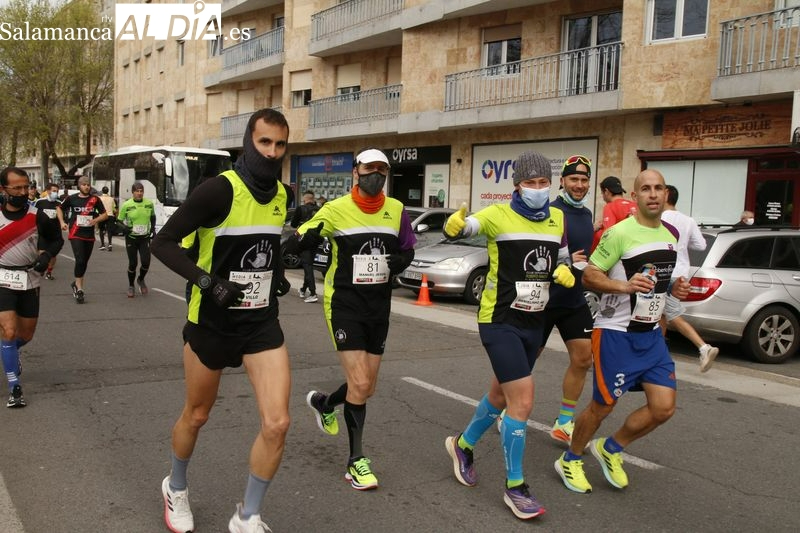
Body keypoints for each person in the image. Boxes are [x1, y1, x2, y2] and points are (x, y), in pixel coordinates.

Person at [151, 107, 294, 533]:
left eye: (280, 144)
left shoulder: (283, 195)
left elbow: (266, 244)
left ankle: (247, 516)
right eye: (264, 142)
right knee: (197, 415)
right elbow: (163, 243)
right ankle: (176, 486)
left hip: (260, 324)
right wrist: (207, 282)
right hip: (211, 323)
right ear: (248, 142)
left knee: (278, 423)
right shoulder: (218, 190)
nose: (272, 152)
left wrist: (278, 274)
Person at [442, 151, 573, 520]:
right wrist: (454, 226)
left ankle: (463, 445)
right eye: (530, 182)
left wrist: (567, 272)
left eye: (543, 182)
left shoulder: (558, 218)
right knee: (523, 401)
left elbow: (563, 259)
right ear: (517, 185)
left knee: (501, 394)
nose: (537, 188)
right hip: (499, 321)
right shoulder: (497, 214)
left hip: (534, 322)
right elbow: (465, 228)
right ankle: (516, 486)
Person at [554, 168, 690, 495]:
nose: (653, 194)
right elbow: (590, 275)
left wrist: (675, 288)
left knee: (664, 407)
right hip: (615, 332)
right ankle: (570, 459)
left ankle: (610, 448)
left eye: (658, 188)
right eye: (646, 189)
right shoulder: (618, 233)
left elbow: (660, 279)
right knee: (602, 406)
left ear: (666, 194)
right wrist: (624, 286)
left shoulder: (671, 234)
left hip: (651, 335)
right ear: (635, 196)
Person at [289, 148, 416, 492]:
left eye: (382, 169)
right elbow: (300, 238)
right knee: (359, 384)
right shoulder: (335, 209)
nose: (376, 174)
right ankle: (356, 461)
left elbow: (407, 247)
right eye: (369, 168)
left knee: (366, 387)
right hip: (344, 304)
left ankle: (324, 403)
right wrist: (300, 242)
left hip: (379, 307)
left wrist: (401, 261)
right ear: (356, 172)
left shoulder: (397, 210)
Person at [540, 155, 596, 444]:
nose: (579, 184)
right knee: (525, 360)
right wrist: (564, 261)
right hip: (545, 300)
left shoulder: (586, 215)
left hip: (574, 300)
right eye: (574, 179)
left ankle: (563, 421)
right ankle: (506, 408)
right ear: (562, 181)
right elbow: (536, 255)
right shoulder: (550, 212)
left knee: (583, 358)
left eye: (584, 180)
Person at [0, 167, 64, 408]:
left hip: (29, 277)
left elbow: (57, 239)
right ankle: (14, 387)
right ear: (3, 189)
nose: (22, 192)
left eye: (25, 187)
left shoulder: (39, 215)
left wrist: (46, 256)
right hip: (2, 277)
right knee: (8, 331)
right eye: (16, 188)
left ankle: (8, 351)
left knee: (25, 335)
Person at [660, 185, 719, 372]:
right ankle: (658, 352)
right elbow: (701, 245)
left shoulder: (659, 218)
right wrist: (683, 243)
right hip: (681, 274)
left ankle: (703, 347)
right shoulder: (688, 220)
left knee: (672, 314)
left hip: (665, 272)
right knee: (662, 314)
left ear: (666, 196)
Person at [58, 176, 108, 304]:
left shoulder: (95, 199)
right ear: (79, 186)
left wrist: (95, 220)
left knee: (84, 262)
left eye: (88, 185)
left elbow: (105, 214)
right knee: (80, 259)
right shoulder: (72, 198)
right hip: (75, 233)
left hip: (89, 235)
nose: (86, 187)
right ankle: (80, 289)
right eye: (84, 185)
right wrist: (62, 222)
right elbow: (59, 208)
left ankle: (76, 283)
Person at [118, 182, 156, 298]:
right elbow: (119, 221)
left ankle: (140, 279)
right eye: (137, 191)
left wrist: (153, 229)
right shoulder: (127, 205)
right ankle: (131, 285)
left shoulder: (149, 204)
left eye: (141, 191)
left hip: (144, 238)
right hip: (132, 238)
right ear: (133, 192)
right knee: (133, 263)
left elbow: (153, 217)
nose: (139, 193)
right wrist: (125, 228)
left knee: (146, 262)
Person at [591, 175, 637, 251]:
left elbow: (608, 235)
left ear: (606, 192)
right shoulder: (634, 205)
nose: (603, 197)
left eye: (602, 193)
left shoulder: (610, 206)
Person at [290, 190, 320, 303]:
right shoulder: (319, 209)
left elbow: (293, 224)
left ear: (305, 199)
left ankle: (313, 293)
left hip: (303, 239)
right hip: (316, 239)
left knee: (307, 266)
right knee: (309, 264)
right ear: (313, 199)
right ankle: (303, 289)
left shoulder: (301, 209)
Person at [33, 183, 63, 280]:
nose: (56, 193)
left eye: (57, 191)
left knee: (53, 255)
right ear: (48, 191)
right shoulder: (40, 202)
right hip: (43, 233)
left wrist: (63, 222)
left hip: (55, 233)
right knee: (41, 253)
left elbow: (63, 216)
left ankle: (49, 272)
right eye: (54, 191)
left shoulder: (60, 203)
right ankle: (42, 267)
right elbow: (34, 215)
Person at [97, 186, 117, 251]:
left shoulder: (99, 198)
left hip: (102, 215)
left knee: (101, 229)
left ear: (102, 191)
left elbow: (97, 208)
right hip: (110, 215)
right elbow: (114, 209)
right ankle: (110, 244)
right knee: (109, 230)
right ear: (108, 191)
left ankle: (102, 245)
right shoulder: (111, 199)